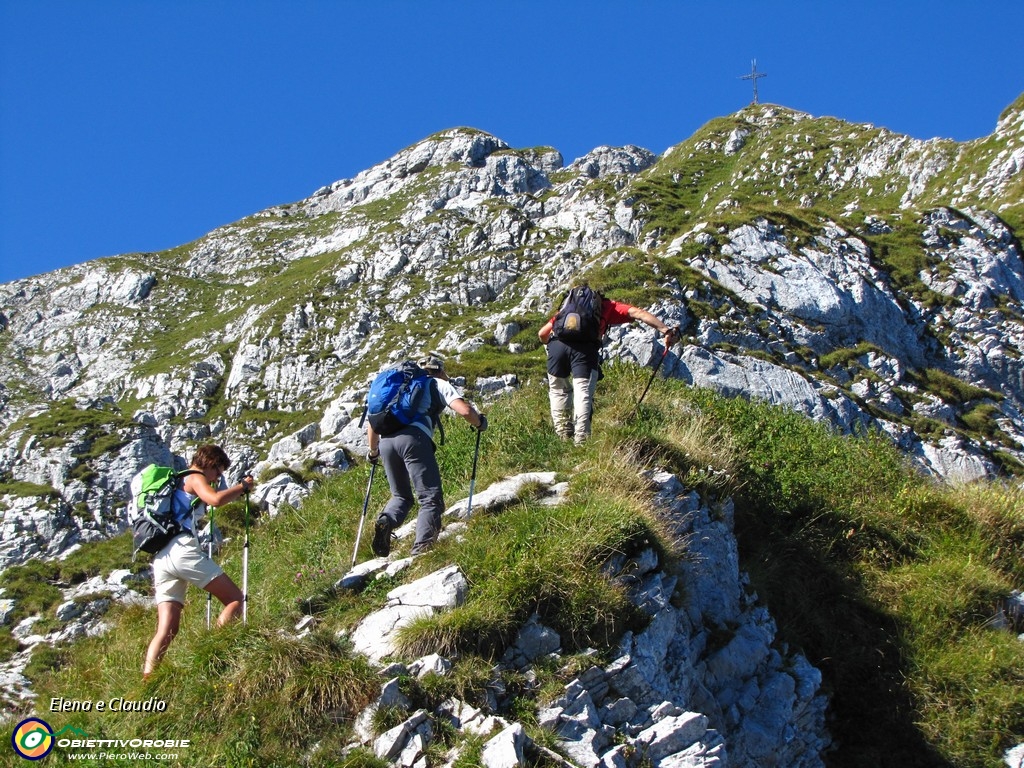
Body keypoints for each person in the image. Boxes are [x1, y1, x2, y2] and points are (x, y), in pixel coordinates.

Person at [143, 444, 255, 678]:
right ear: (211, 463)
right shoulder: (195, 476)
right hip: (182, 550)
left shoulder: (175, 483)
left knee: (167, 628)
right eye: (219, 471)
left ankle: (148, 680)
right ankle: (213, 651)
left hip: (162, 557)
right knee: (235, 599)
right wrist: (242, 487)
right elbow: (214, 500)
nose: (218, 477)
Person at [366, 356, 486, 558]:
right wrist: (480, 423)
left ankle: (386, 520)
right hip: (414, 440)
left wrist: (373, 452)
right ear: (439, 370)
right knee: (430, 498)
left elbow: (372, 422)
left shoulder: (400, 387)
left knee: (401, 496)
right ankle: (423, 551)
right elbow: (464, 410)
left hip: (386, 443)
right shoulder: (436, 383)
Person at [538, 285, 679, 444]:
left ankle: (563, 436)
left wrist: (549, 348)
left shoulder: (566, 310)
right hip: (585, 351)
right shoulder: (608, 307)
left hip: (557, 347)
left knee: (558, 391)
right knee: (583, 393)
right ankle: (581, 441)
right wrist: (666, 331)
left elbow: (542, 333)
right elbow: (638, 313)